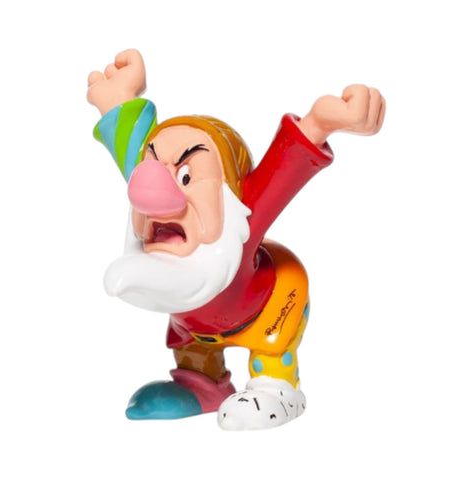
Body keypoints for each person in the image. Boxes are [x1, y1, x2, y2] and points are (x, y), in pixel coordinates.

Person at [87, 49, 385, 430]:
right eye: (152, 169)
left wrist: (318, 124)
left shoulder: (242, 218)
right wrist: (118, 100)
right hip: (197, 326)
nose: (155, 193)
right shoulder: (152, 207)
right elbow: (133, 151)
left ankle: (278, 387)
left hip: (268, 304)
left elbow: (284, 168)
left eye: (186, 177)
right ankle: (202, 385)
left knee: (271, 348)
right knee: (191, 347)